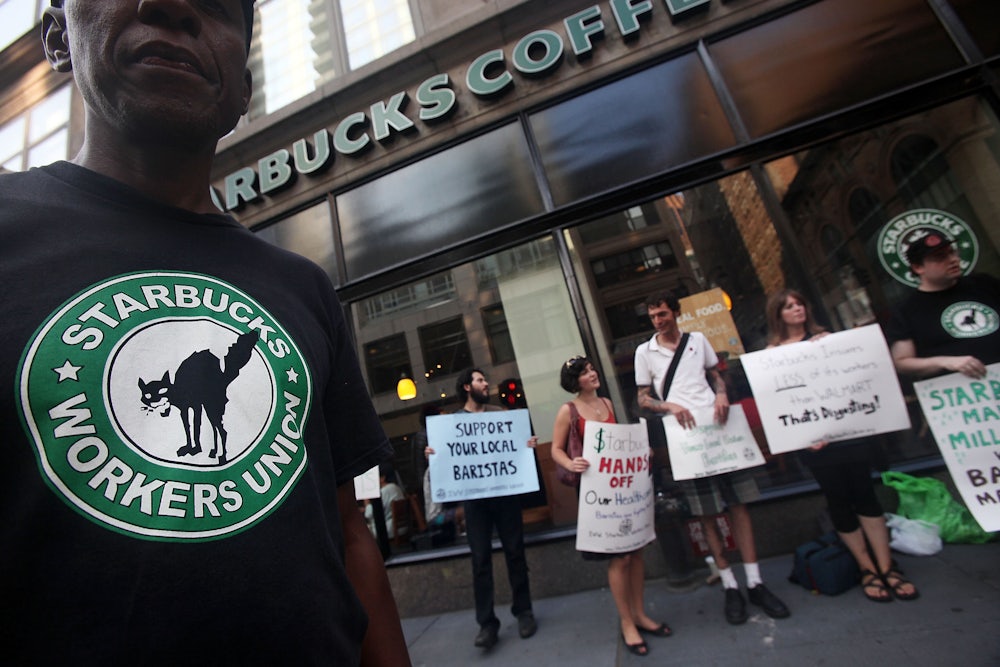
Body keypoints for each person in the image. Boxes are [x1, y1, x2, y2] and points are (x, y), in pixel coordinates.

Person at [0, 2, 409, 664]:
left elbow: (348, 532)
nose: (172, 6)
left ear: (242, 92)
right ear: (57, 36)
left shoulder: (303, 287)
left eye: (219, 5)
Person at [634, 292, 790, 625]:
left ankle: (755, 581)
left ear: (676, 312)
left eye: (663, 314)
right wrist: (670, 406)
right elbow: (643, 399)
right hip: (687, 436)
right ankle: (730, 585)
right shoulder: (644, 352)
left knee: (740, 506)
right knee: (706, 514)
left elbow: (717, 374)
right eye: (653, 317)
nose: (658, 321)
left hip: (720, 429)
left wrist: (721, 393)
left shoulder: (698, 340)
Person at [766, 289, 918, 602]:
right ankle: (867, 568)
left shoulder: (827, 340)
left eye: (800, 303)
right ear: (777, 315)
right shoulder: (772, 354)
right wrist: (803, 437)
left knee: (865, 494)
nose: (797, 309)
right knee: (838, 499)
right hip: (815, 445)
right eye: (789, 306)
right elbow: (780, 402)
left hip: (850, 433)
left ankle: (887, 565)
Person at [551, 356, 670, 657]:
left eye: (592, 369)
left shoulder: (607, 403)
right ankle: (627, 621)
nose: (592, 374)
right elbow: (556, 448)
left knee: (636, 549)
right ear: (575, 381)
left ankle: (640, 613)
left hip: (623, 489)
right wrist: (570, 462)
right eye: (585, 372)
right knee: (619, 559)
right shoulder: (568, 411)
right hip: (596, 491)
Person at [424, 368, 537, 649]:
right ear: (466, 387)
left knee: (515, 552)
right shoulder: (452, 423)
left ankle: (523, 611)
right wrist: (433, 453)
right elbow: (449, 456)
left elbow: (514, 445)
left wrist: (526, 444)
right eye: (480, 380)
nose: (486, 384)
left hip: (505, 496)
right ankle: (487, 624)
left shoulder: (500, 414)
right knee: (480, 560)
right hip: (474, 501)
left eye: (485, 380)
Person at [887, 228, 1000, 379]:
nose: (952, 259)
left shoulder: (984, 284)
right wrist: (944, 361)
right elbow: (903, 362)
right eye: (940, 257)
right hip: (963, 394)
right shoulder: (906, 310)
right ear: (918, 267)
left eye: (952, 252)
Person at [365, 464, 406, 539]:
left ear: (382, 478)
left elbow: (368, 514)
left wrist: (366, 502)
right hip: (400, 526)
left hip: (389, 528)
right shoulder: (395, 487)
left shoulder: (385, 490)